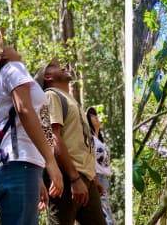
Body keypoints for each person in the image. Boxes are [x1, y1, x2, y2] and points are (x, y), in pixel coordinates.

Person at [0, 33, 63, 225]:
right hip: (19, 165)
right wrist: (51, 162)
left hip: (15, 167)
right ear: (2, 56)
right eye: (6, 46)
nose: (12, 46)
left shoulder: (2, 78)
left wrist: (38, 174)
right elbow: (24, 110)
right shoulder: (13, 68)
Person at [34, 58, 106, 225]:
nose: (62, 66)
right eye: (54, 66)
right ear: (48, 78)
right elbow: (53, 137)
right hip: (67, 179)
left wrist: (93, 178)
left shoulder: (71, 101)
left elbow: (79, 142)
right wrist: (74, 179)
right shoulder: (51, 95)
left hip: (85, 178)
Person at [86, 107, 115, 225]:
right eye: (92, 115)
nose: (96, 117)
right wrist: (94, 178)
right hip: (96, 177)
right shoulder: (89, 138)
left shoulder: (99, 141)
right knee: (106, 214)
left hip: (104, 178)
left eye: (96, 114)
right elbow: (87, 158)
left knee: (104, 211)